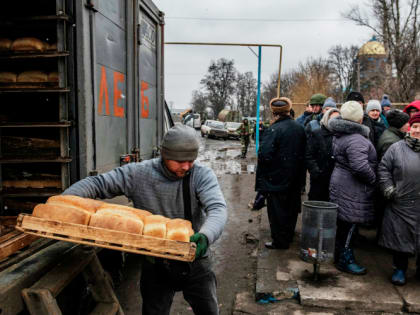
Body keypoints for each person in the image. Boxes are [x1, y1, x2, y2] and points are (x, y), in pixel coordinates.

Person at [62, 124, 227, 315]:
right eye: (179, 160)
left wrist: (205, 236)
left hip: (195, 259)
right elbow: (97, 184)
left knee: (208, 310)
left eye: (191, 160)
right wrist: (65, 202)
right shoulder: (138, 173)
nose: (186, 166)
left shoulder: (201, 175)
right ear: (164, 154)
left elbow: (217, 208)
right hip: (156, 263)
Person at [328, 101, 377, 275]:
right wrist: (373, 179)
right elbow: (360, 167)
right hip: (352, 187)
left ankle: (339, 256)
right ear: (359, 117)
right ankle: (345, 260)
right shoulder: (356, 139)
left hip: (342, 182)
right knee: (349, 225)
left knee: (343, 224)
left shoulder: (341, 133)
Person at [255, 97, 306, 249]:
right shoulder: (299, 128)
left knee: (277, 212)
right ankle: (288, 236)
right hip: (295, 179)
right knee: (291, 210)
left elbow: (264, 155)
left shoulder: (273, 130)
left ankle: (279, 241)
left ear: (274, 113)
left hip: (276, 179)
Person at [378, 112, 420, 286]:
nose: (418, 130)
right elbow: (383, 169)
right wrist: (389, 189)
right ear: (409, 128)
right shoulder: (396, 148)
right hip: (400, 203)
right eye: (416, 126)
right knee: (400, 237)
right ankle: (400, 269)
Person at [305, 108, 340, 201]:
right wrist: (316, 172)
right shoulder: (317, 133)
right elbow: (308, 154)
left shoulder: (341, 135)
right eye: (332, 119)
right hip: (319, 181)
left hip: (336, 181)